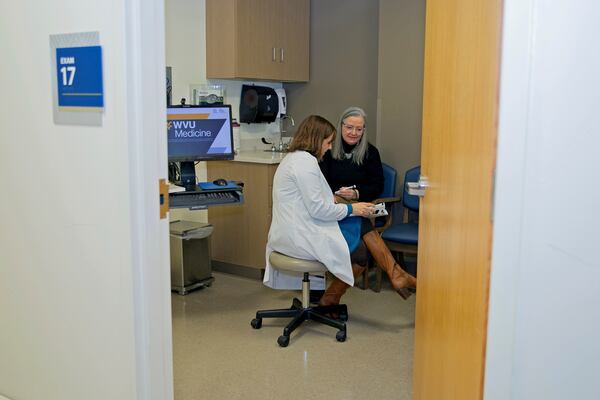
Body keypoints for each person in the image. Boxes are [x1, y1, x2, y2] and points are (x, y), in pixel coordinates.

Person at [263, 115, 375, 292]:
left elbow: (312, 200)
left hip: (292, 230)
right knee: (361, 250)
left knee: (360, 224)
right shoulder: (305, 163)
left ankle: (396, 275)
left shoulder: (295, 158)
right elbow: (318, 209)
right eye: (328, 142)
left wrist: (344, 205)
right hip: (299, 237)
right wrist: (352, 208)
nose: (330, 147)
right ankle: (330, 298)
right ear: (316, 140)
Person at [319, 106, 417, 304]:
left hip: (359, 206)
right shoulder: (328, 150)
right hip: (330, 209)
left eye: (359, 129)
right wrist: (335, 196)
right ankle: (395, 272)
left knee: (362, 251)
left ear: (364, 130)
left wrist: (356, 193)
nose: (354, 133)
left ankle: (330, 298)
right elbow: (318, 181)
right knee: (362, 243)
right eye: (349, 127)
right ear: (340, 126)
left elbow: (377, 185)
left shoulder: (370, 152)